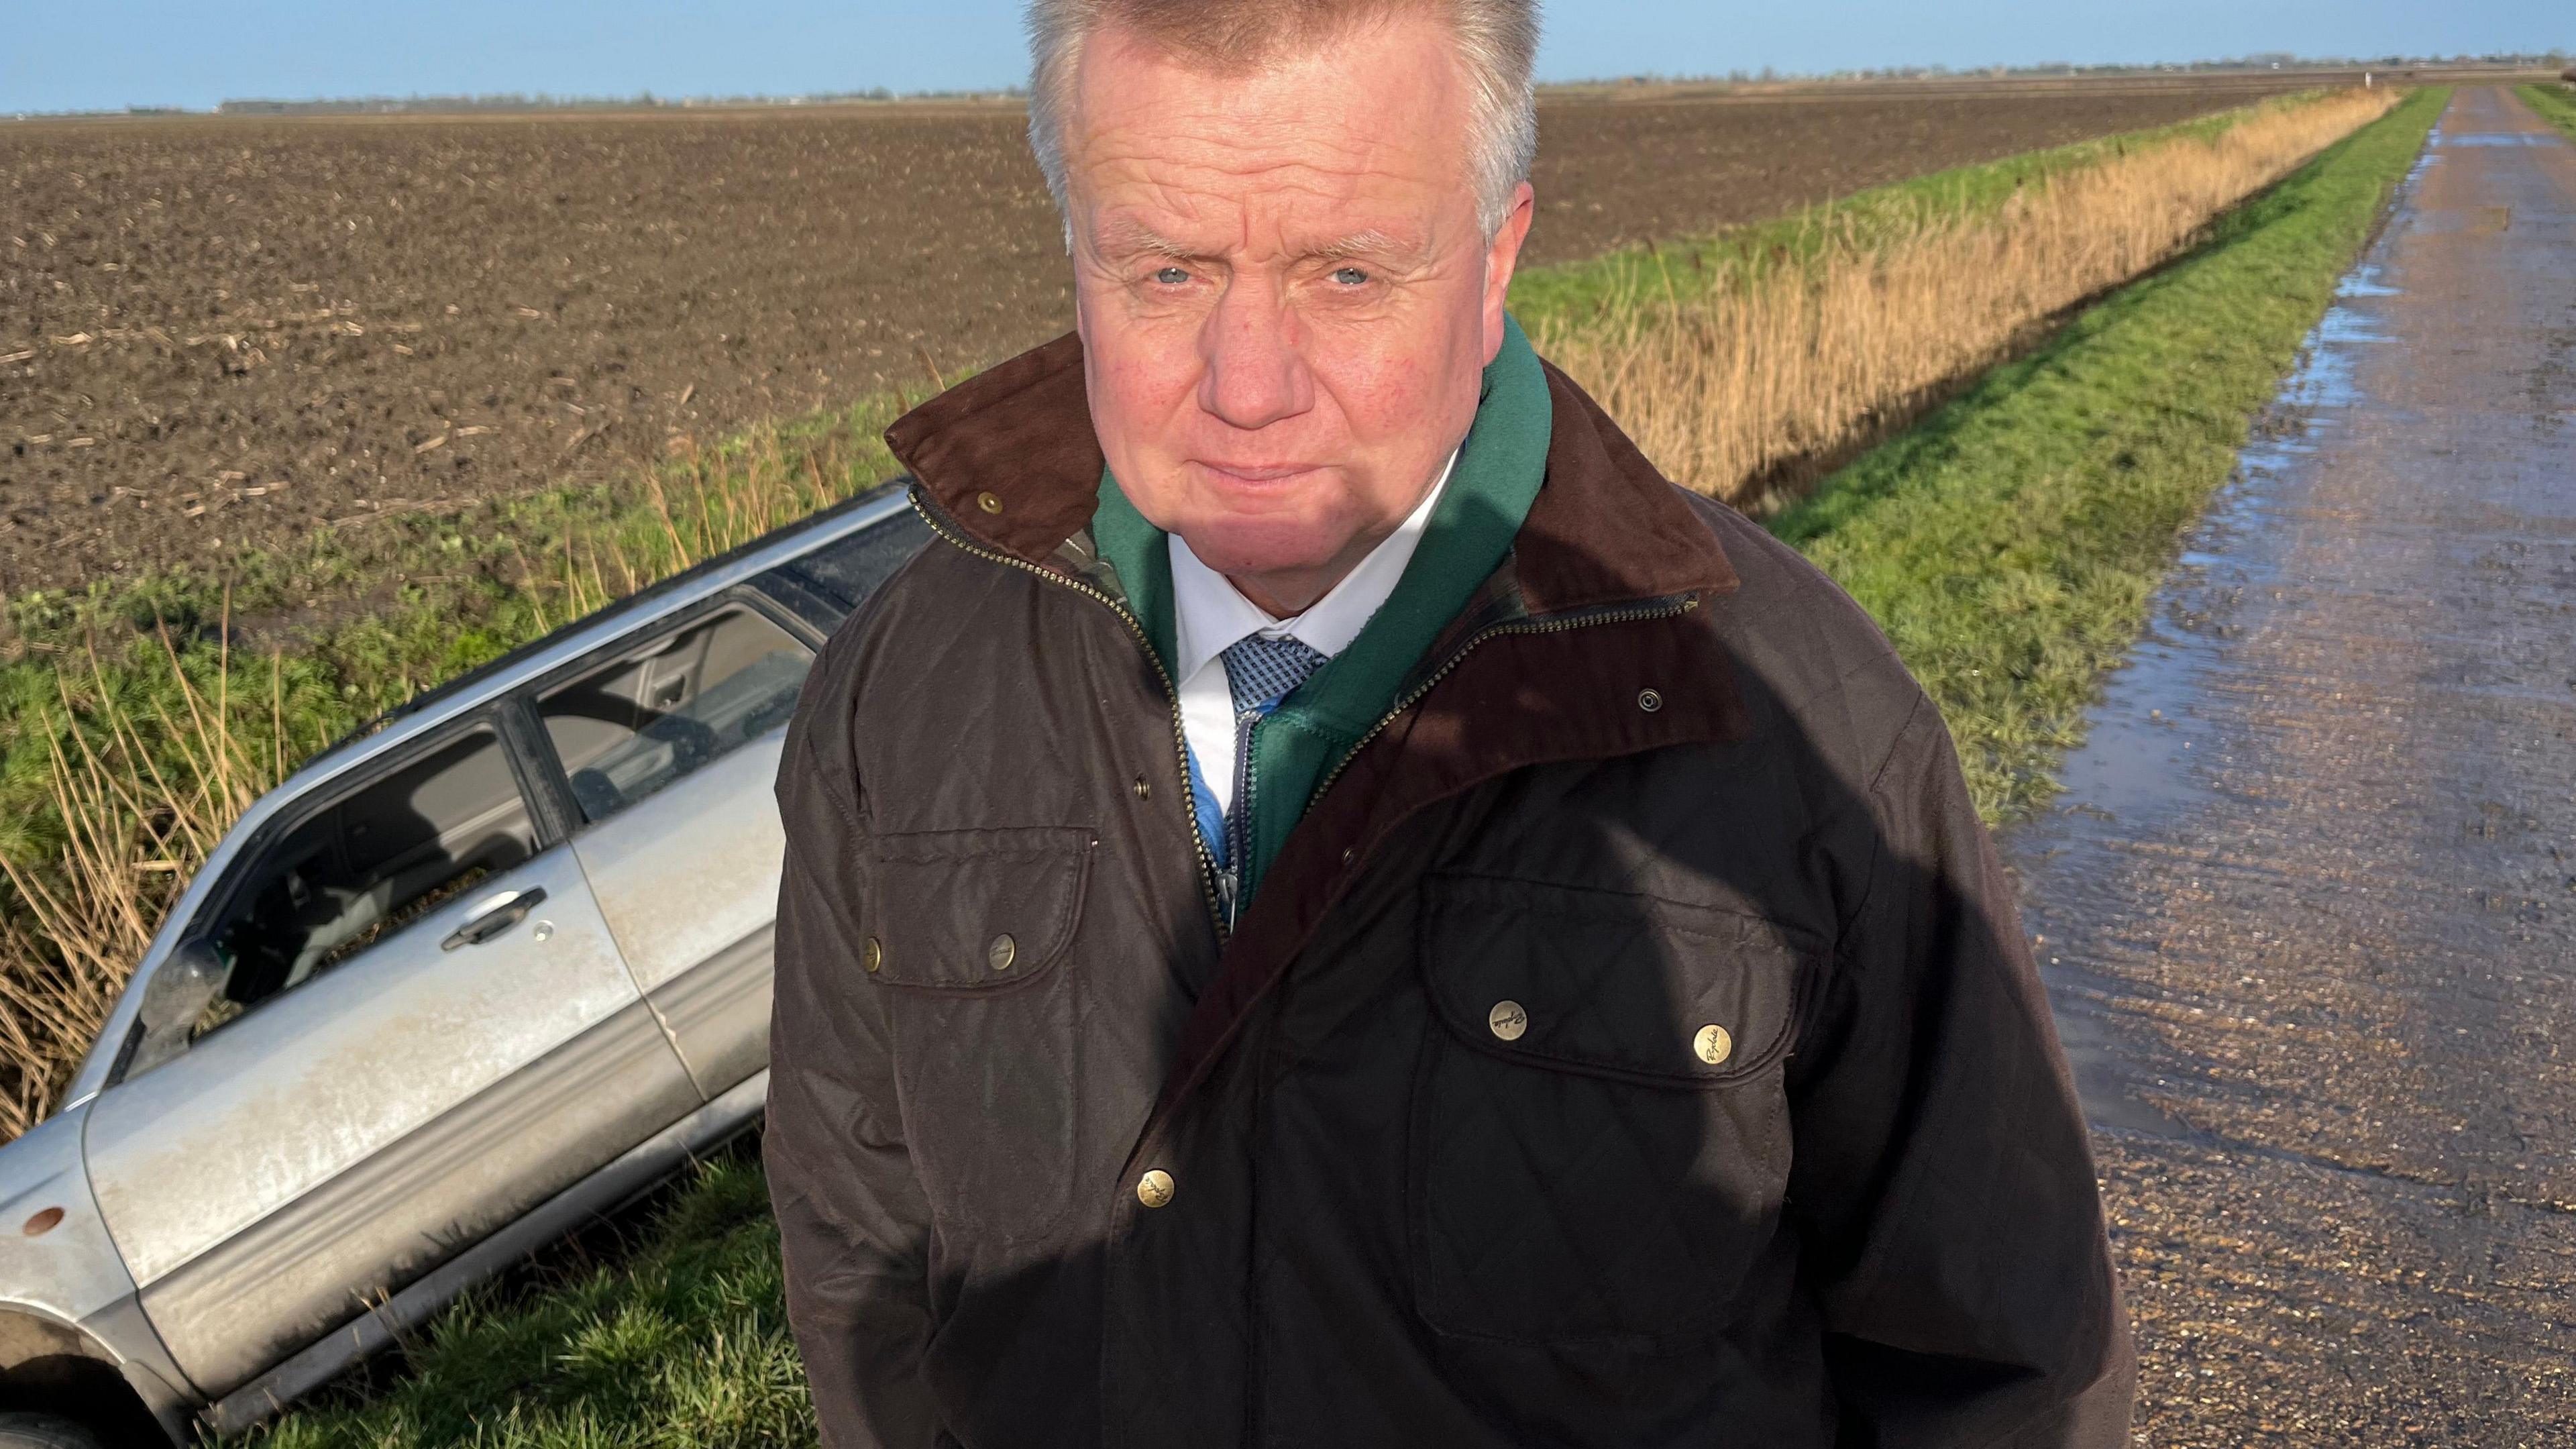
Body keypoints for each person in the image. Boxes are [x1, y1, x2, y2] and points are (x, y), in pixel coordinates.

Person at [765, 1, 2134, 1444]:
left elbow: (1998, 1365)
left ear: (1495, 264)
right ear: (1076, 257)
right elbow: (864, 1251)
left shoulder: (1799, 727)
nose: (1246, 387)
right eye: (1165, 271)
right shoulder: (909, 685)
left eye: (1347, 273)